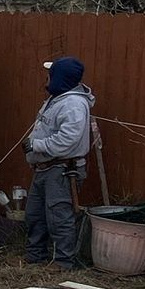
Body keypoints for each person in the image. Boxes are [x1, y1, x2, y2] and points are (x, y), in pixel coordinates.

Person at [24, 56, 94, 266]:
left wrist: (37, 146)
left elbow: (67, 140)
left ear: (59, 77)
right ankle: (36, 257)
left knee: (59, 216)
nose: (46, 78)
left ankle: (64, 262)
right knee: (35, 214)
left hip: (62, 169)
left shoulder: (73, 104)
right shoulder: (57, 99)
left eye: (50, 74)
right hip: (45, 167)